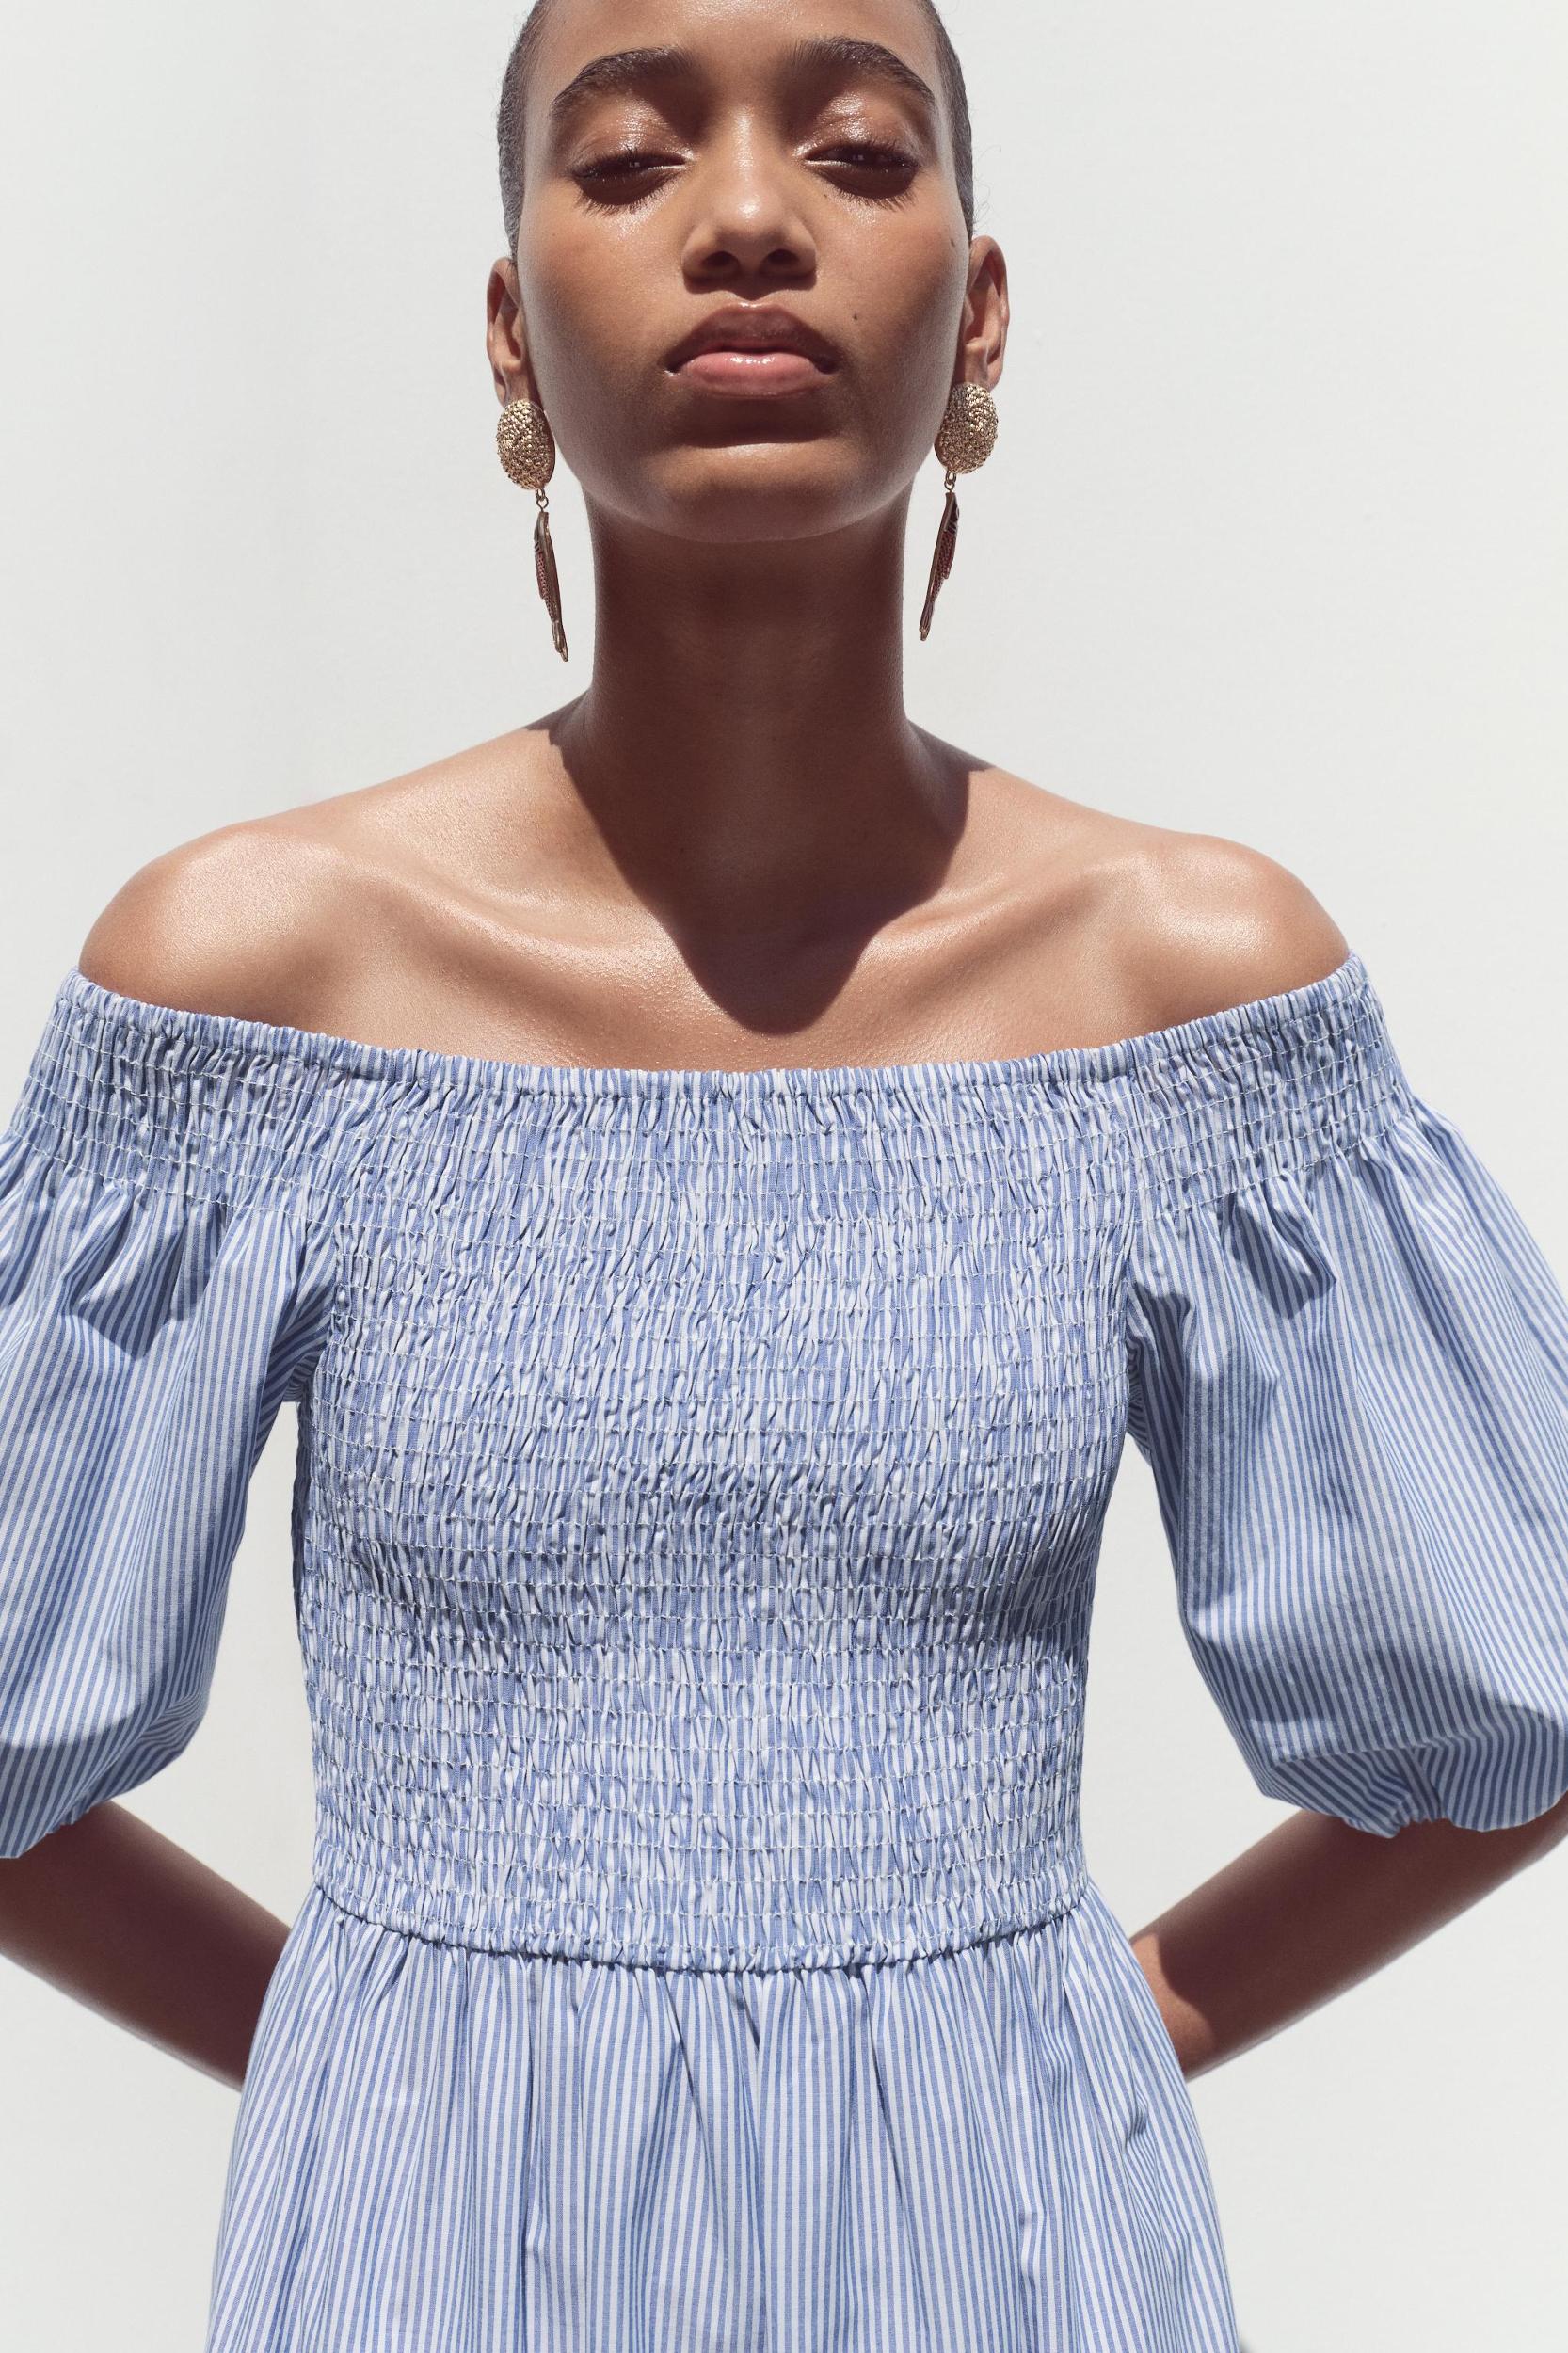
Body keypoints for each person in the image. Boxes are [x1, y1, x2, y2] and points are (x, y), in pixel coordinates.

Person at [3, 2, 1567, 2346]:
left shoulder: (1181, 990)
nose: (746, 219)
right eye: (631, 159)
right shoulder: (255, 989)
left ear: (980, 310)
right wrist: (364, 2061)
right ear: (509, 328)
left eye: (852, 146)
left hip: (1012, 2267)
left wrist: (1111, 2029)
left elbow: (1512, 1680)